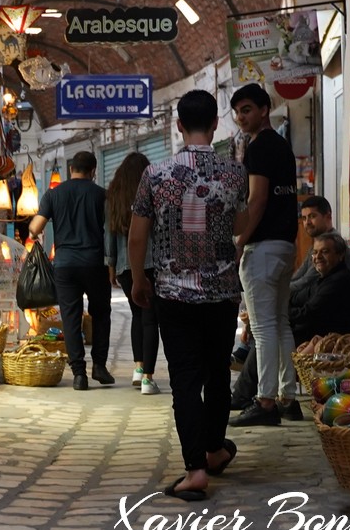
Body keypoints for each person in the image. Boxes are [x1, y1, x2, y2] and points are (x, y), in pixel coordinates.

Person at [129, 90, 246, 501]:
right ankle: (214, 449)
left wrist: (140, 280)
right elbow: (239, 223)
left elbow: (137, 234)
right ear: (216, 125)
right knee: (217, 373)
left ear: (178, 125)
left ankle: (196, 469)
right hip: (222, 291)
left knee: (184, 381)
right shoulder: (235, 174)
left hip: (174, 293)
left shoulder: (155, 175)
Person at [230, 195, 350, 411]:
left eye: (313, 217)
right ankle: (277, 395)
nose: (308, 222)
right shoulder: (316, 247)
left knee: (269, 330)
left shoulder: (336, 270)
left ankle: (252, 396)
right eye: (305, 217)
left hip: (328, 330)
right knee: (271, 328)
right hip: (313, 315)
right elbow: (299, 281)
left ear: (328, 216)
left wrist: (278, 298)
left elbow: (309, 295)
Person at [227, 83, 300, 428]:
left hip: (264, 246)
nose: (241, 117)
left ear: (264, 108)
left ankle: (265, 401)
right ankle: (288, 397)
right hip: (286, 245)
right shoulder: (283, 146)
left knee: (263, 327)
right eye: (238, 111)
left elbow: (257, 201)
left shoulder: (257, 148)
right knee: (281, 323)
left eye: (247, 110)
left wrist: (240, 240)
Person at [28, 151, 113, 391]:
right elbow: (113, 227)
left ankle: (79, 375)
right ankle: (99, 366)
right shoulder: (101, 195)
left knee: (71, 318)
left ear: (70, 170)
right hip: (95, 264)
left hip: (65, 266)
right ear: (93, 171)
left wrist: (34, 233)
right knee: (101, 314)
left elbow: (36, 227)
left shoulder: (54, 194)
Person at [104, 152, 161, 395]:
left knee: (137, 316)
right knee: (151, 320)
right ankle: (148, 378)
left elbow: (109, 234)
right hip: (151, 263)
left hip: (126, 267)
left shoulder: (113, 198)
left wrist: (112, 266)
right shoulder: (153, 192)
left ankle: (139, 369)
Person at [290, 231, 350, 344]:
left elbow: (306, 314)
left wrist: (282, 311)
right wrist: (284, 302)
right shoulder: (326, 278)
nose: (318, 257)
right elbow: (299, 297)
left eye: (324, 252)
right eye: (315, 252)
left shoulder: (339, 281)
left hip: (339, 347)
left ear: (340, 255)